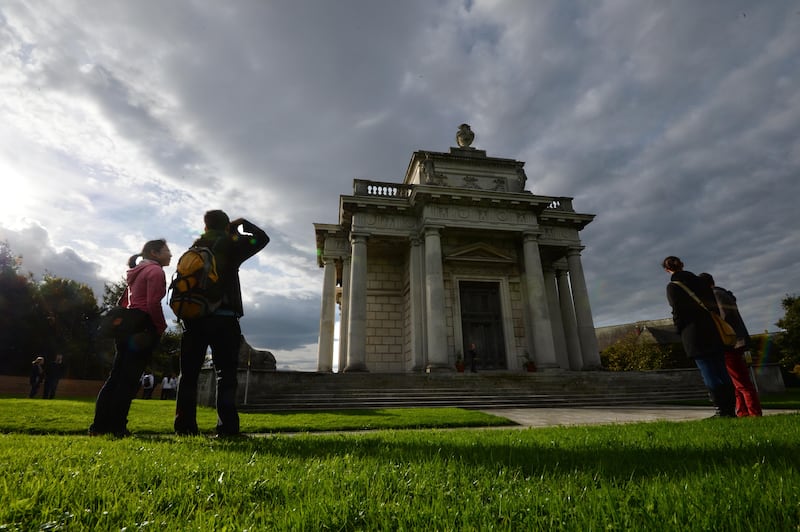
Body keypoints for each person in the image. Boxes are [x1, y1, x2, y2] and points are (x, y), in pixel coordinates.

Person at [174, 210, 269, 437]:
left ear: (205, 227)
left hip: (194, 318)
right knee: (226, 375)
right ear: (226, 226)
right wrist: (242, 225)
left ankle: (185, 427)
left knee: (188, 374)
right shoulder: (231, 245)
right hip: (224, 318)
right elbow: (261, 239)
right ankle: (227, 428)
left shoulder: (194, 248)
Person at [89, 239, 172, 437]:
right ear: (154, 252)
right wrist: (161, 326)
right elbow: (153, 304)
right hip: (143, 328)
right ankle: (117, 427)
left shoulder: (137, 271)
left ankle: (99, 426)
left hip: (127, 326)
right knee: (129, 380)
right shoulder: (155, 271)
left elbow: (122, 301)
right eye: (167, 251)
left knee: (115, 377)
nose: (170, 255)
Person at [662, 256, 736, 417]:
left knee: (708, 372)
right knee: (722, 371)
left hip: (693, 333)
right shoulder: (702, 283)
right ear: (682, 265)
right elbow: (714, 307)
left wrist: (679, 330)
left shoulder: (673, 286)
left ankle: (721, 410)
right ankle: (730, 410)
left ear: (667, 270)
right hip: (713, 330)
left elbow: (678, 312)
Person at [699, 273, 762, 417]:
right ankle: (743, 412)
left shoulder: (717, 295)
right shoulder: (722, 293)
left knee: (741, 381)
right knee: (736, 382)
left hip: (730, 343)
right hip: (733, 343)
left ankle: (753, 412)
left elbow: (724, 319)